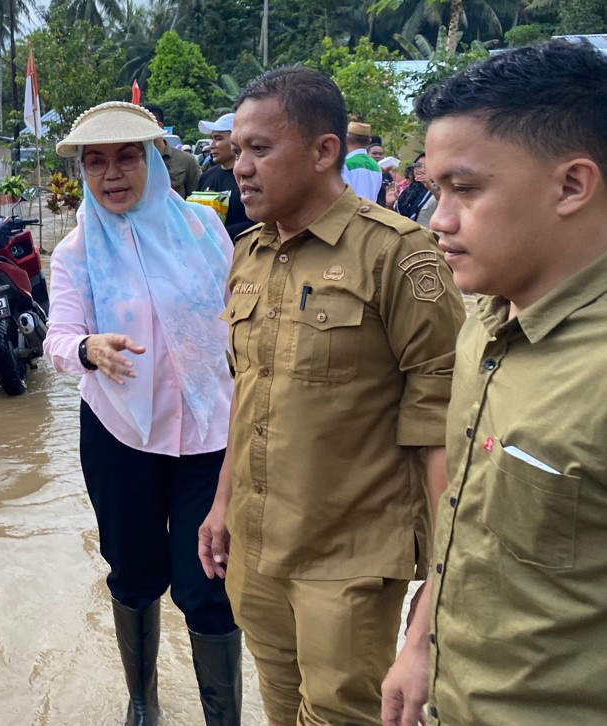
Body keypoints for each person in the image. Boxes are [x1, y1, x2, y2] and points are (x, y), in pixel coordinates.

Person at [197, 68, 465, 725]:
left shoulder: (400, 258)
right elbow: (247, 391)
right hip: (256, 550)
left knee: (342, 715)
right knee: (280, 707)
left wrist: (440, 588)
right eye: (237, 152)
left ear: (323, 151)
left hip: (348, 559)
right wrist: (222, 501)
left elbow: (444, 432)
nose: (241, 168)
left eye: (261, 149)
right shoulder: (249, 254)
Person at [382, 39, 607, 726]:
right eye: (436, 187)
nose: (437, 220)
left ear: (572, 185)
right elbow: (463, 523)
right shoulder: (483, 319)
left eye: (465, 189)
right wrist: (420, 639)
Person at [44, 101, 242, 726]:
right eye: (96, 161)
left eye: (127, 156)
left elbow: (241, 327)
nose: (112, 173)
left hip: (211, 436)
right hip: (119, 434)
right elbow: (57, 338)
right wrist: (88, 348)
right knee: (132, 572)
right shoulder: (75, 251)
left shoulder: (206, 231)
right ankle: (142, 704)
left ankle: (223, 717)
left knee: (209, 581)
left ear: (154, 160)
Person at [196, 112, 254, 240]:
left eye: (218, 138)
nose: (212, 145)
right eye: (211, 138)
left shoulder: (250, 176)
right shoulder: (206, 176)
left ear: (237, 140)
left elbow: (258, 223)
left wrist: (219, 233)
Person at [142, 102, 201, 198]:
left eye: (144, 126)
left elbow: (197, 200)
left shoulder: (186, 161)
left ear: (159, 126)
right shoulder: (134, 163)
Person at [342, 120, 383, 201]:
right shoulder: (376, 166)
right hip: (370, 212)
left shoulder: (345, 164)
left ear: (346, 139)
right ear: (369, 141)